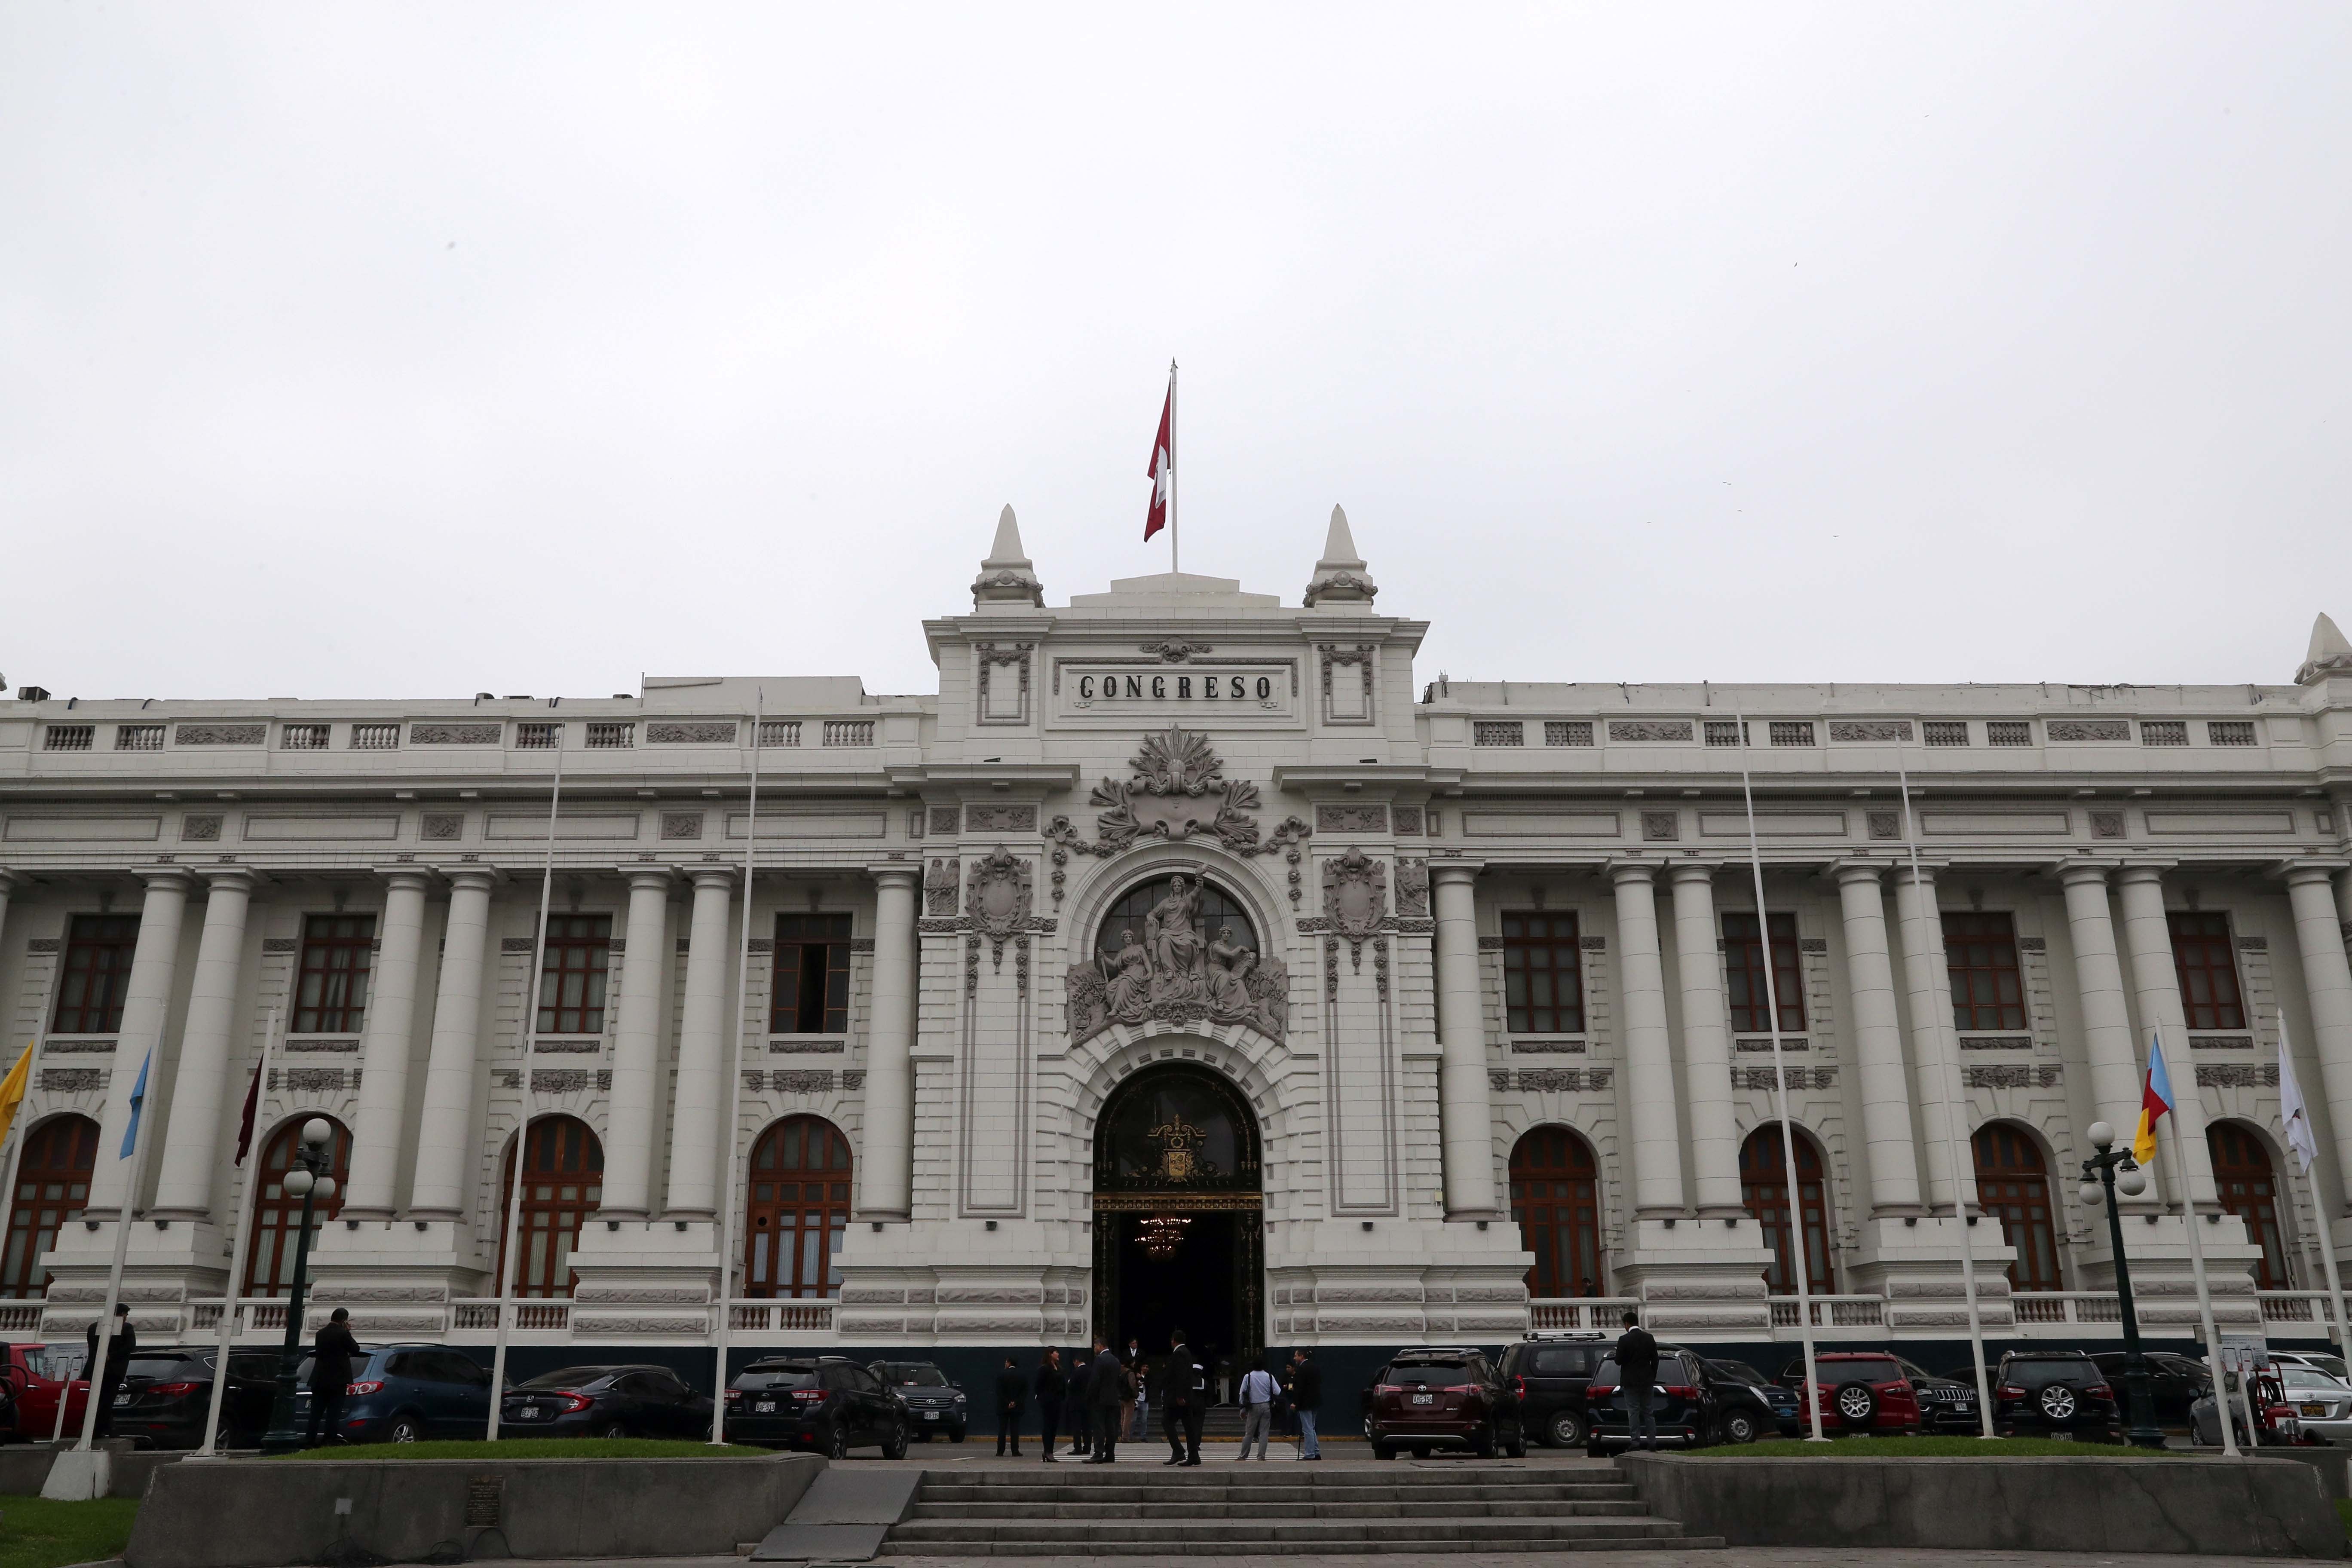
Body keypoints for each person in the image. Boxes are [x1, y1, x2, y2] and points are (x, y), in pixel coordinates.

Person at [306, 1307, 361, 1447]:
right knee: (333, 1412)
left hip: (319, 1379)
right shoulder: (343, 1334)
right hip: (337, 1380)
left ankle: (309, 1441)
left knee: (316, 1413)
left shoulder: (320, 1333)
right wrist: (348, 1332)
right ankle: (329, 1440)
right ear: (344, 1320)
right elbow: (356, 1349)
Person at [84, 1302, 135, 1440]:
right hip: (113, 1372)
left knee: (98, 1401)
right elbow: (130, 1346)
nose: (126, 1318)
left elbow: (93, 1347)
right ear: (120, 1314)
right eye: (125, 1315)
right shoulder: (126, 1328)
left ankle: (104, 1430)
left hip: (97, 1370)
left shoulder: (94, 1327)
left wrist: (105, 1355)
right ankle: (99, 1431)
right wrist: (110, 1356)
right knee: (106, 1402)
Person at [1614, 1310, 1660, 1452]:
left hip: (1630, 1383)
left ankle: (1635, 1442)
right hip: (1647, 1381)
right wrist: (1652, 1376)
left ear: (1627, 1324)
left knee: (1633, 1412)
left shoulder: (1624, 1340)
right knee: (1649, 1412)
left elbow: (1618, 1361)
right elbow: (1656, 1360)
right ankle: (1652, 1442)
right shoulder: (1649, 1338)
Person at [1161, 1329, 1205, 1467]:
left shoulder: (1179, 1354)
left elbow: (1181, 1376)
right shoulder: (1186, 1353)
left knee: (1167, 1422)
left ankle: (1179, 1451)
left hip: (1177, 1399)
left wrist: (1180, 1396)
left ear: (1174, 1340)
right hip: (1185, 1397)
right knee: (1189, 1427)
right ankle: (1194, 1456)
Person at [1087, 1336, 1125, 1463]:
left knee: (1099, 1427)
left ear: (1101, 1345)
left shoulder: (1099, 1360)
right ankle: (1110, 1454)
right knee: (1111, 1429)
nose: (1094, 1348)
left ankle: (1098, 1453)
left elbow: (1095, 1381)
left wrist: (1090, 1396)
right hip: (1113, 1399)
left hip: (1100, 1399)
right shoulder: (1116, 1360)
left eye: (1095, 1346)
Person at [1236, 1356, 1279, 1460]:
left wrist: (1243, 1409)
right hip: (1266, 1406)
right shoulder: (1269, 1376)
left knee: (1249, 1433)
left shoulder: (1248, 1376)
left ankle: (1243, 1456)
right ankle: (1261, 1456)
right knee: (1264, 1433)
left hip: (1253, 1407)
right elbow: (1277, 1391)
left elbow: (1242, 1393)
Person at [1289, 1348, 1323, 1460]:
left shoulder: (1302, 1369)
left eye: (1296, 1356)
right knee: (1312, 1428)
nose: (1295, 1358)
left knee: (1307, 1429)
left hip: (1305, 1403)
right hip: (1315, 1402)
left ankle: (1310, 1454)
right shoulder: (1315, 1367)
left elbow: (1300, 1388)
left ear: (1301, 1357)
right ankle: (1316, 1452)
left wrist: (1295, 1403)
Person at [1033, 1349, 1065, 1462]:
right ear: (1050, 1354)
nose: (1058, 1354)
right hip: (1047, 1401)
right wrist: (1043, 1398)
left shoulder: (1059, 1369)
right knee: (1048, 1426)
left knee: (1054, 1427)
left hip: (1058, 1401)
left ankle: (1050, 1450)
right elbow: (1038, 1386)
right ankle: (1048, 1451)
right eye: (1056, 1352)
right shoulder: (1044, 1369)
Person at [994, 1354, 1027, 1457]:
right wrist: (1015, 1402)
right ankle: (1015, 1450)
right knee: (1015, 1429)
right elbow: (1024, 1392)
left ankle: (1000, 1451)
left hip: (1003, 1407)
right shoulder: (1022, 1375)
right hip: (1017, 1407)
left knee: (1002, 1429)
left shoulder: (1001, 1375)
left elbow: (999, 1392)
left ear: (1009, 1363)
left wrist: (1007, 1402)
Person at [1066, 1347, 1093, 1458]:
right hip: (1088, 1404)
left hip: (1076, 1404)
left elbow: (1070, 1386)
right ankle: (1087, 1448)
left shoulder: (1076, 1372)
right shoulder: (1091, 1371)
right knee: (1087, 1427)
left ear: (1076, 1361)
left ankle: (1078, 1449)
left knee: (1077, 1428)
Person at [1123, 1337, 1144, 1441]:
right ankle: (1126, 1437)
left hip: (1121, 1396)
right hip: (1128, 1397)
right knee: (1128, 1418)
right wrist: (1136, 1394)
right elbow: (1132, 1386)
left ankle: (1123, 1436)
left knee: (1123, 1417)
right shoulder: (1130, 1373)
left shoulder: (1121, 1371)